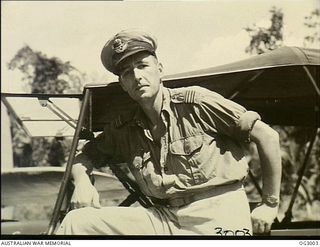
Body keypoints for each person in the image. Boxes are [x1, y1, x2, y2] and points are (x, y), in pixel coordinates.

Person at [56, 30, 281, 236]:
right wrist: (83, 182)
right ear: (123, 84)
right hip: (163, 218)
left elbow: (268, 136)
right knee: (77, 222)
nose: (136, 76)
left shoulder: (196, 102)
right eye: (127, 72)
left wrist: (270, 205)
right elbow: (83, 156)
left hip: (219, 213)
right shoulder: (124, 128)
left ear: (160, 69)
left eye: (142, 66)